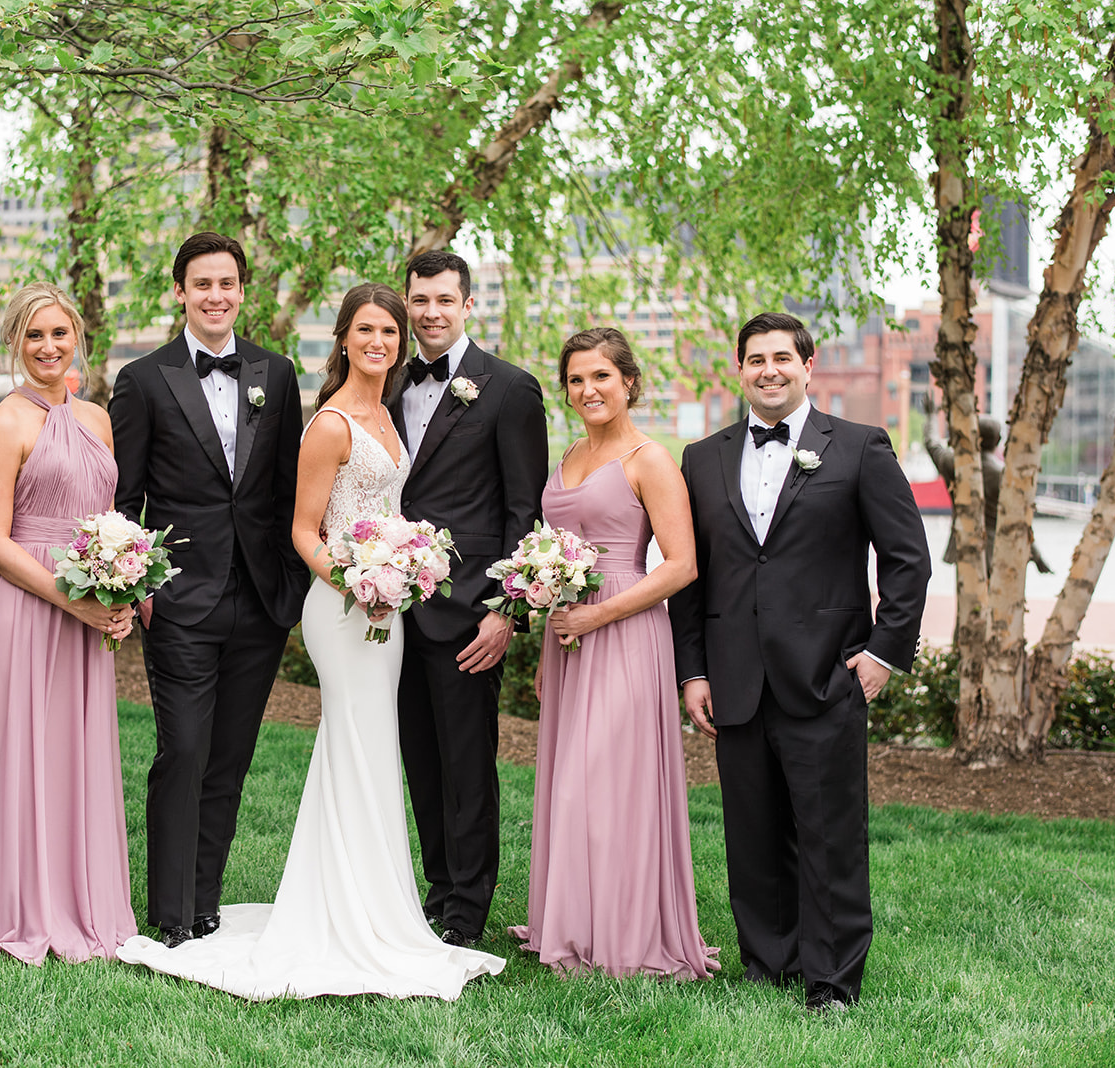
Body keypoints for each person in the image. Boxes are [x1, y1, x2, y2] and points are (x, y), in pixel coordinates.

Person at [118, 284, 505, 999]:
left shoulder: (388, 415)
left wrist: (406, 566)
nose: (380, 342)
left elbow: (392, 510)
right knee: (350, 742)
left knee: (369, 746)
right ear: (344, 337)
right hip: (344, 606)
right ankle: (339, 913)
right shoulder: (330, 423)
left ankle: (372, 905)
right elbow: (302, 529)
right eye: (366, 329)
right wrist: (358, 578)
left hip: (385, 609)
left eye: (389, 331)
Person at [669, 311, 930, 1011]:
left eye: (782, 357)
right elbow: (691, 576)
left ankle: (833, 980)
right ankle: (769, 963)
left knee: (830, 836)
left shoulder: (859, 447)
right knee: (752, 835)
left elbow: (907, 560)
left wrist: (883, 652)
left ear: (808, 365)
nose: (769, 370)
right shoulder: (702, 459)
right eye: (756, 359)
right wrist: (691, 671)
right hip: (735, 682)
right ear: (740, 369)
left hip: (827, 676)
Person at [0, 283, 138, 964]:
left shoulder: (100, 420)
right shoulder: (6, 423)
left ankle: (80, 904)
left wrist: (119, 590)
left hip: (84, 606)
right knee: (19, 752)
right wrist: (73, 599)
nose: (49, 347)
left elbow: (104, 522)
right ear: (16, 344)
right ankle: (11, 907)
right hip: (21, 604)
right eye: (34, 336)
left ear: (78, 337)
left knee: (73, 754)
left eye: (59, 334)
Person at [109, 233, 310, 948]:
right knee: (184, 750)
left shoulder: (276, 373)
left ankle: (205, 900)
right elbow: (123, 499)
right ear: (180, 292)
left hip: (259, 599)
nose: (216, 295)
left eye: (227, 283)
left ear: (242, 290)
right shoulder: (141, 379)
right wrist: (137, 589)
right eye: (202, 284)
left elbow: (290, 486)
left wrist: (288, 585)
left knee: (229, 757)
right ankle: (169, 909)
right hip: (181, 601)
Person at [510, 328, 719, 980]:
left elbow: (682, 564)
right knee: (570, 781)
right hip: (568, 637)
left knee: (610, 786)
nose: (587, 390)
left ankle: (624, 935)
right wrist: (551, 644)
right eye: (576, 379)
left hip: (625, 631)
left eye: (601, 376)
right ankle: (570, 925)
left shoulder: (649, 458)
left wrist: (598, 613)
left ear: (629, 381)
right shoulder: (570, 450)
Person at [386, 250, 547, 947]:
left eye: (444, 300)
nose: (429, 313)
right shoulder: (386, 382)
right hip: (389, 607)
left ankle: (468, 908)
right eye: (419, 300)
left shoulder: (509, 389)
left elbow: (524, 512)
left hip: (469, 613)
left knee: (467, 763)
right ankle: (438, 885)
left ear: (467, 305)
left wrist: (506, 612)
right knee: (418, 757)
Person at [921, 392, 1053, 574]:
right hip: (997, 552)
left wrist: (931, 417)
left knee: (967, 599)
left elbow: (932, 444)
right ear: (998, 441)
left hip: (964, 548)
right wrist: (1037, 557)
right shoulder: (1004, 476)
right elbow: (1019, 520)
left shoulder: (956, 464)